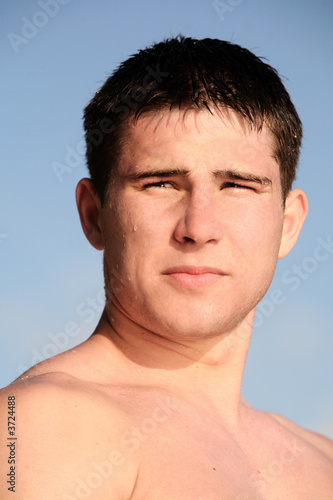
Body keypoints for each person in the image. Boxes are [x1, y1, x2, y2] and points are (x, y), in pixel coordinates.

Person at [1, 36, 332, 500]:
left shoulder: (323, 463)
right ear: (95, 215)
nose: (198, 227)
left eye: (236, 185)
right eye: (160, 183)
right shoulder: (41, 423)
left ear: (288, 224)